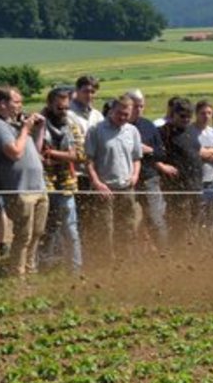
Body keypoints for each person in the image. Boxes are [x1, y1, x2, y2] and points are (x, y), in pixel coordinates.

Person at [0, 87, 50, 278]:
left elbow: (36, 152)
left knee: (37, 233)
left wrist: (39, 130)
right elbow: (15, 152)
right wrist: (26, 129)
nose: (21, 105)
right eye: (17, 101)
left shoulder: (18, 126)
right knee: (23, 236)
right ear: (3, 104)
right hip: (19, 189)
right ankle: (17, 275)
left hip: (38, 186)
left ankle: (30, 270)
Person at [85, 95, 144, 262]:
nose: (122, 117)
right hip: (105, 190)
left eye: (126, 114)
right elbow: (88, 161)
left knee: (128, 227)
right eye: (119, 113)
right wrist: (97, 183)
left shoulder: (132, 131)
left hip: (126, 188)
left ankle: (125, 262)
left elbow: (136, 158)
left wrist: (135, 175)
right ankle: (106, 265)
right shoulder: (96, 130)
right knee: (105, 230)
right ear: (111, 111)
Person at [39, 87, 84, 274]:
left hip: (66, 182)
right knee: (46, 227)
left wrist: (52, 153)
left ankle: (75, 268)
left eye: (66, 107)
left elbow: (81, 154)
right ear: (49, 105)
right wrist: (66, 155)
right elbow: (36, 152)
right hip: (44, 182)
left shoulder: (72, 125)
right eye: (59, 108)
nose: (63, 111)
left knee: (70, 227)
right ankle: (45, 267)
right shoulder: (39, 124)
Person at [127, 90, 171, 244]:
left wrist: (149, 150)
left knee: (155, 218)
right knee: (130, 220)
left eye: (141, 106)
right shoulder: (118, 124)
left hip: (148, 178)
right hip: (124, 180)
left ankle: (163, 253)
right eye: (135, 106)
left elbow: (161, 153)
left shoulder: (148, 125)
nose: (138, 110)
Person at [157, 98, 205, 232]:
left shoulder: (191, 131)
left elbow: (196, 152)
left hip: (195, 185)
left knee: (196, 225)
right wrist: (162, 166)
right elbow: (150, 155)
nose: (186, 120)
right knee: (178, 225)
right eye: (182, 116)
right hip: (176, 188)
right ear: (173, 114)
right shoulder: (163, 132)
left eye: (189, 116)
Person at [193, 101, 213, 190]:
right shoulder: (189, 132)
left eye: (209, 113)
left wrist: (205, 154)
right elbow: (192, 154)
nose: (206, 116)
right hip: (193, 180)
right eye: (203, 113)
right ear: (196, 114)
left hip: (211, 180)